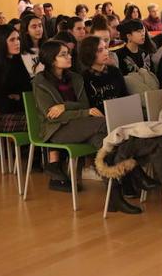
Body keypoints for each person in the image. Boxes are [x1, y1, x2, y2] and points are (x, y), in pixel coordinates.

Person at [32, 40, 108, 192]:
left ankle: (114, 182)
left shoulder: (75, 78)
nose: (69, 57)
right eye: (63, 54)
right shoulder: (40, 81)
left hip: (78, 125)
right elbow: (52, 116)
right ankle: (126, 176)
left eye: (68, 53)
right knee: (104, 123)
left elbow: (84, 104)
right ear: (51, 59)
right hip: (56, 129)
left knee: (100, 140)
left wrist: (65, 106)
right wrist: (83, 112)